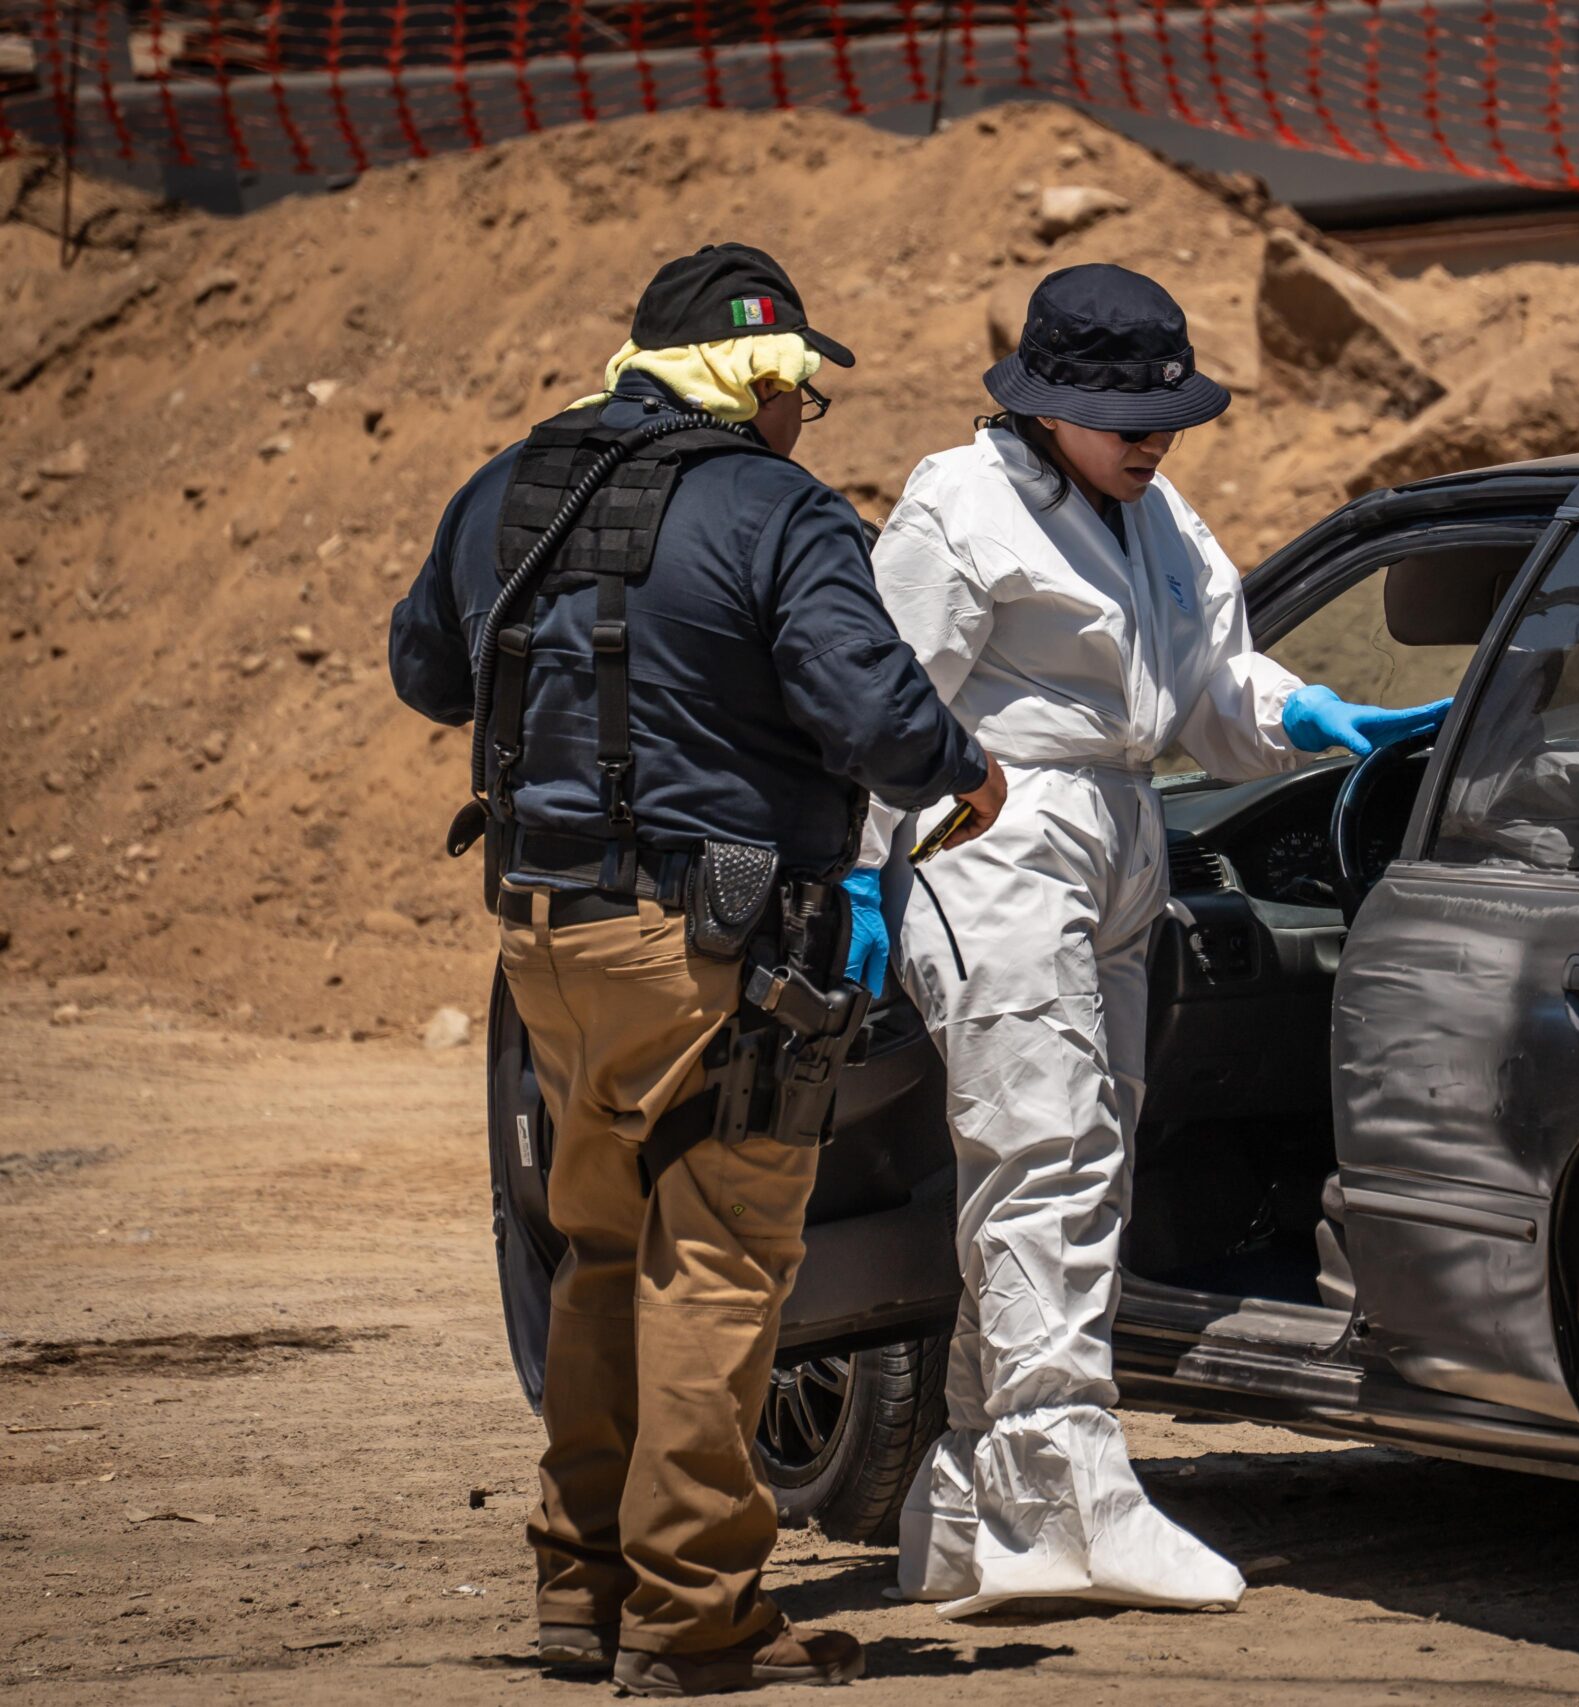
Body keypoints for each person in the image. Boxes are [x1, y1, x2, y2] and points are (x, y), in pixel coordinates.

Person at [388, 243, 1004, 1696]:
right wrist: (966, 777)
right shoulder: (777, 507)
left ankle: (580, 1586)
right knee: (717, 1268)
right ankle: (695, 1616)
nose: (804, 420)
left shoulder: (506, 488)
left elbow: (427, 674)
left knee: (602, 1251)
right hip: (711, 952)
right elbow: (877, 716)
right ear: (764, 378)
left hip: (550, 941)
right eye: (802, 392)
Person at [852, 263, 1450, 1617]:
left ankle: (969, 1496)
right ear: (1047, 403)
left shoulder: (1157, 512)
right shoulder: (957, 504)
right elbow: (884, 699)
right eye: (1122, 410)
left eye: (1162, 409)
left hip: (1123, 832)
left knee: (1078, 1165)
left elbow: (1212, 680)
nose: (1151, 433)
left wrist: (1309, 718)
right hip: (996, 830)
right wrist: (862, 874)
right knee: (1042, 1156)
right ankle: (1069, 1485)